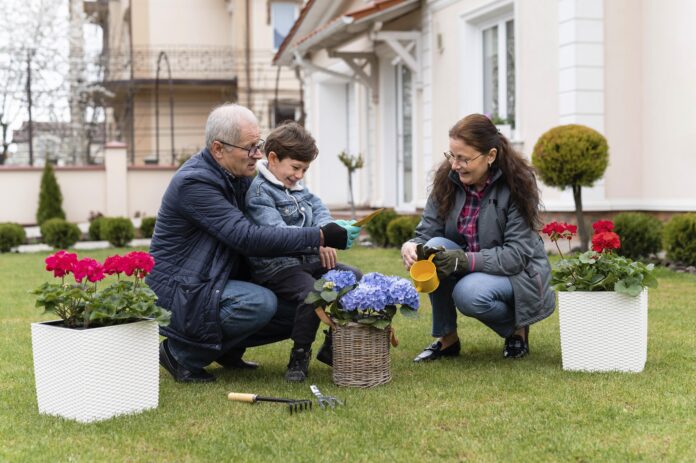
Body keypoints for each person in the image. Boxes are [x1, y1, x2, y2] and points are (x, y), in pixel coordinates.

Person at [147, 104, 361, 383]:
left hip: (215, 277)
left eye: (258, 145)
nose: (257, 154)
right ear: (218, 149)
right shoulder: (195, 183)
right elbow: (247, 237)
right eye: (250, 148)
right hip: (184, 286)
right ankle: (180, 354)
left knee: (303, 301)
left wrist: (321, 230)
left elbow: (303, 202)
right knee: (259, 303)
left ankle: (228, 350)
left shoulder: (240, 176)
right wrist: (319, 236)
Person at [400, 114, 555, 362]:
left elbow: (515, 256)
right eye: (452, 156)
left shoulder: (518, 185)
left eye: (463, 158)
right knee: (431, 249)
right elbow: (427, 230)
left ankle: (517, 331)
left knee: (468, 294)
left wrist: (462, 261)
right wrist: (411, 246)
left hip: (518, 272)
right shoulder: (447, 180)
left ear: (490, 156)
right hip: (470, 261)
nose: (454, 165)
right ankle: (447, 339)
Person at [245, 121, 362, 382]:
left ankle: (333, 344)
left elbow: (319, 208)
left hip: (306, 260)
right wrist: (317, 241)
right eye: (295, 167)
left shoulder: (298, 188)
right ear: (273, 158)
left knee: (352, 276)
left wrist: (327, 235)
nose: (299, 175)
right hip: (278, 267)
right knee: (313, 292)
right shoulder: (260, 193)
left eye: (305, 169)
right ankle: (300, 354)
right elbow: (276, 234)